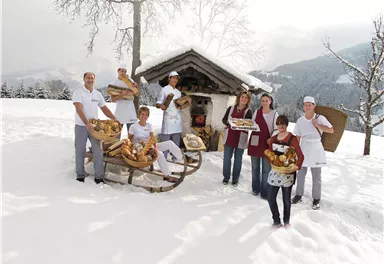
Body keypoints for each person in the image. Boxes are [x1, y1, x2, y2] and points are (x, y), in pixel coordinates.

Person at [72, 72, 117, 184]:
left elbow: (104, 109)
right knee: (80, 151)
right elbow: (79, 109)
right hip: (81, 126)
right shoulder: (78, 92)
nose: (90, 80)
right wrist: (87, 124)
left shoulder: (97, 94)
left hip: (95, 127)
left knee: (98, 151)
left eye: (92, 78)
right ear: (84, 79)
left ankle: (99, 177)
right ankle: (80, 175)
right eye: (88, 78)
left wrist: (114, 118)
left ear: (94, 80)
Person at [291, 96, 334, 210]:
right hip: (304, 147)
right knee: (300, 174)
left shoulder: (320, 118)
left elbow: (331, 129)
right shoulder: (300, 120)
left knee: (316, 176)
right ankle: (298, 195)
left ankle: (316, 199)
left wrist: (318, 125)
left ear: (314, 106)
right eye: (306, 105)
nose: (308, 107)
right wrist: (296, 151)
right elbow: (298, 136)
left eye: (310, 105)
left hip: (316, 147)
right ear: (303, 106)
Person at [266, 115, 304, 227]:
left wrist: (296, 166)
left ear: (286, 125)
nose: (281, 126)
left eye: (283, 124)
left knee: (286, 200)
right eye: (279, 124)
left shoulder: (292, 139)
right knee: (270, 197)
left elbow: (300, 156)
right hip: (276, 172)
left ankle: (286, 222)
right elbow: (269, 153)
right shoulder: (273, 138)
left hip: (288, 173)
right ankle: (276, 220)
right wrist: (273, 161)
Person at [129, 106, 183, 181]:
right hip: (140, 149)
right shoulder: (134, 126)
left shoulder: (149, 125)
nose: (144, 116)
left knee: (169, 143)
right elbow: (129, 140)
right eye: (142, 114)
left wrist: (155, 147)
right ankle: (167, 175)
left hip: (149, 146)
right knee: (159, 154)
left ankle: (181, 158)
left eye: (146, 114)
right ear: (139, 115)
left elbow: (152, 138)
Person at [248, 93, 278, 198]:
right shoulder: (257, 112)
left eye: (267, 100)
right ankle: (255, 189)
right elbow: (252, 124)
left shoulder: (274, 114)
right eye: (263, 101)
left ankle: (265, 191)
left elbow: (276, 128)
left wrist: (272, 138)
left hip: (267, 143)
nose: (264, 102)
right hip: (255, 142)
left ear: (270, 101)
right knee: (255, 167)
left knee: (266, 170)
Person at [221, 91, 253, 187]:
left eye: (246, 98)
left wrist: (240, 124)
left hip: (241, 137)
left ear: (248, 100)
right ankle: (226, 177)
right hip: (230, 135)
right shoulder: (231, 108)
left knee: (238, 159)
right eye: (242, 97)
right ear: (239, 98)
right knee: (227, 158)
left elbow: (249, 124)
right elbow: (224, 119)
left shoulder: (248, 111)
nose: (244, 99)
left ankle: (235, 179)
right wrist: (229, 123)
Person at [110, 63, 140, 137]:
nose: (123, 73)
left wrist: (137, 86)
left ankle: (130, 148)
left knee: (132, 136)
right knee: (116, 135)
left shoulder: (130, 81)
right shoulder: (114, 83)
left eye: (125, 71)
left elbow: (137, 94)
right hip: (120, 111)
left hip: (131, 111)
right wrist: (122, 95)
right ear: (118, 71)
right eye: (122, 71)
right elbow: (113, 99)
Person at [155, 71, 182, 148]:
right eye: (173, 78)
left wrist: (183, 105)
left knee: (176, 143)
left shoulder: (178, 93)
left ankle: (176, 158)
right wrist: (161, 106)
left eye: (176, 78)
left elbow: (179, 104)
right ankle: (164, 158)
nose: (175, 80)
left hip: (177, 120)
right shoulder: (164, 90)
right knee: (165, 143)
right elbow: (158, 103)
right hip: (168, 120)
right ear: (169, 79)